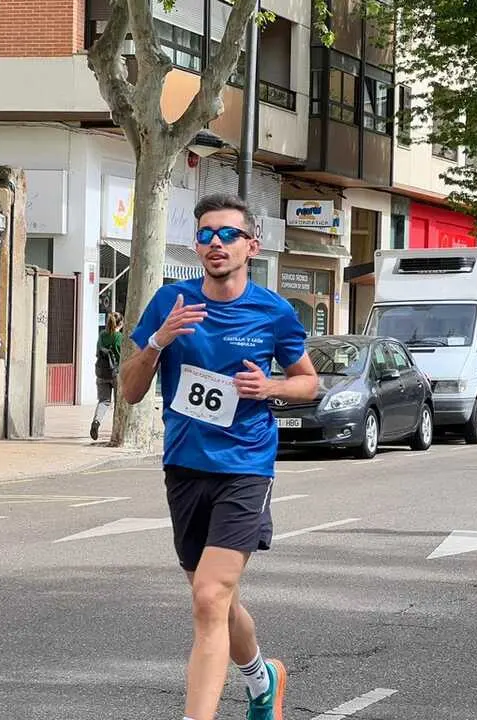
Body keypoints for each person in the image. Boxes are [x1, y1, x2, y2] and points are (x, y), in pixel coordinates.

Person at [119, 194, 319, 720]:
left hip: (246, 467)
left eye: (228, 234)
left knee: (209, 598)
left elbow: (310, 385)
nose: (215, 244)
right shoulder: (171, 302)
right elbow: (131, 392)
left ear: (251, 245)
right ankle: (262, 679)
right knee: (217, 601)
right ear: (195, 244)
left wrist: (269, 386)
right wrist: (158, 342)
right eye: (206, 234)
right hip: (185, 466)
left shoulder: (273, 311)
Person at [91, 311, 124, 440]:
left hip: (101, 372)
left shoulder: (102, 335)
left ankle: (96, 422)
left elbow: (97, 352)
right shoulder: (119, 337)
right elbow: (121, 356)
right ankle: (117, 431)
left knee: (103, 401)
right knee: (118, 403)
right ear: (120, 323)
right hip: (116, 373)